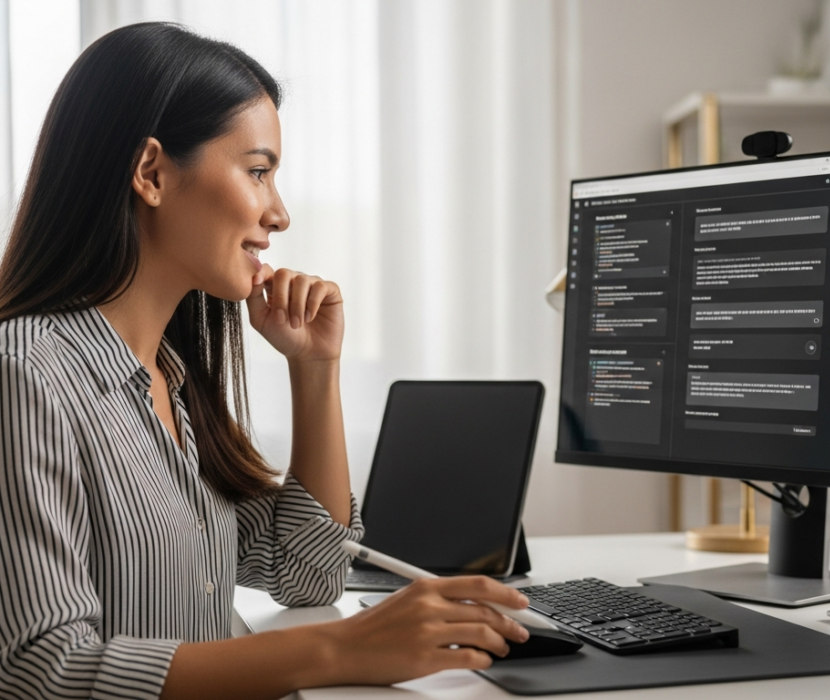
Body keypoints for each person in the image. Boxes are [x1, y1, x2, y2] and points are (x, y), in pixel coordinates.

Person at [0, 22, 530, 700]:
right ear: (152, 173)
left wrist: (315, 368)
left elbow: (308, 572)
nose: (278, 214)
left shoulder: (170, 382)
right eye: (257, 172)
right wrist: (339, 649)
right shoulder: (26, 377)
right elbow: (41, 670)